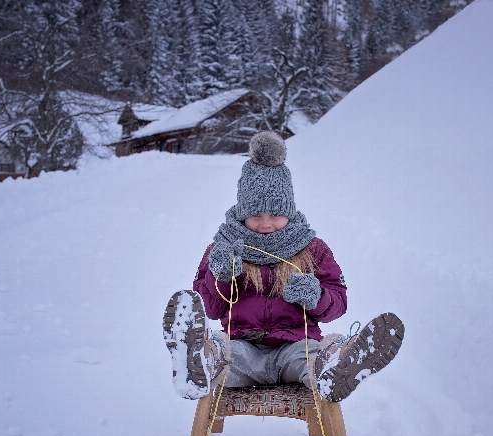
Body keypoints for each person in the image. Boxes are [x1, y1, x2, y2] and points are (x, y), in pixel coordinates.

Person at [163, 131, 403, 402]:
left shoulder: (312, 249)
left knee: (312, 360)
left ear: (288, 211)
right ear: (242, 214)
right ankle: (200, 360)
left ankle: (337, 366)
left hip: (295, 346)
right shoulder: (223, 248)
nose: (266, 223)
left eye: (275, 215)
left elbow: (339, 301)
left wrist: (317, 297)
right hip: (243, 347)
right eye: (256, 215)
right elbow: (213, 308)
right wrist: (222, 276)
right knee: (224, 356)